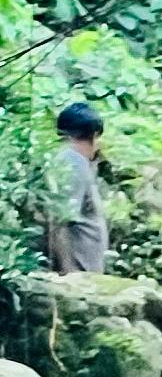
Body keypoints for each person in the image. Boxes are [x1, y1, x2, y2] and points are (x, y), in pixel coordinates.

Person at [42, 101, 108, 276]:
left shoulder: (69, 160)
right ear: (94, 135)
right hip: (79, 273)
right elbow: (60, 221)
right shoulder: (73, 162)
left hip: (84, 272)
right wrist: (69, 271)